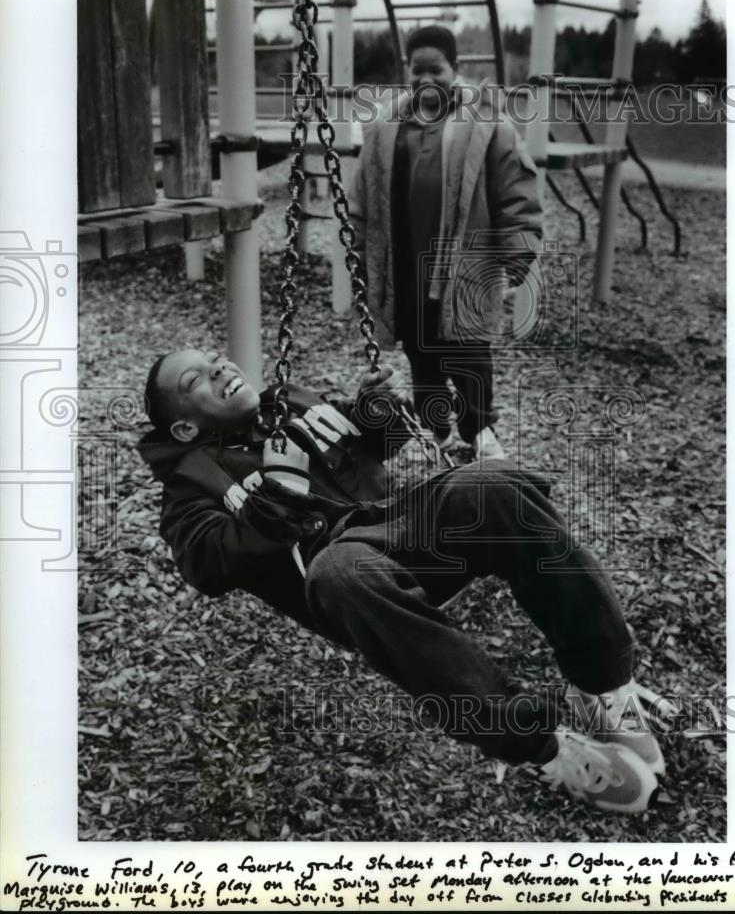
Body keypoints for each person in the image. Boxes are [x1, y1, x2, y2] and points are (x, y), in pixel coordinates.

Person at [138, 347, 666, 814]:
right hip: (350, 579)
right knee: (342, 571)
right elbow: (207, 565)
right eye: (195, 382)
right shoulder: (189, 491)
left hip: (404, 526)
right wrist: (279, 490)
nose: (218, 369)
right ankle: (543, 745)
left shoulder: (290, 401)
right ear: (184, 428)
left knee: (494, 481)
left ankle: (603, 684)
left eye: (213, 361)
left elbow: (372, 445)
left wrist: (377, 414)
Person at [348, 24, 543, 461]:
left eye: (436, 69)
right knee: (422, 350)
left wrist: (519, 248)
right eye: (417, 71)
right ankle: (436, 431)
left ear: (454, 70)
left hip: (465, 263)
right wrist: (358, 252)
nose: (425, 80)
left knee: (470, 351)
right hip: (407, 261)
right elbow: (362, 197)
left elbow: (516, 190)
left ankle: (479, 431)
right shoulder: (386, 129)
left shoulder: (486, 125)